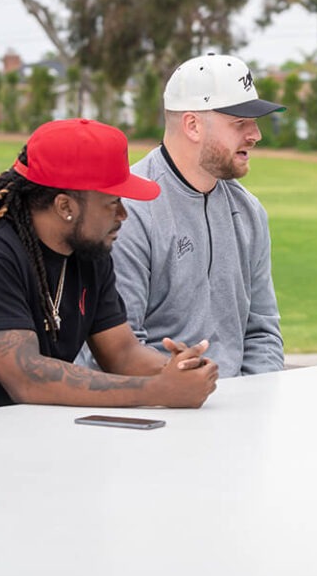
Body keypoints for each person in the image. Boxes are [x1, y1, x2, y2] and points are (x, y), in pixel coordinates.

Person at [0, 119, 218, 421]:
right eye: (112, 202)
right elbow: (26, 379)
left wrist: (178, 370)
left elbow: (122, 352)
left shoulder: (89, 252)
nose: (123, 215)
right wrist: (158, 391)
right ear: (65, 206)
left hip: (21, 436)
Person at [76, 53, 284, 377]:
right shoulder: (125, 212)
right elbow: (115, 349)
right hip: (152, 408)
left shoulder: (249, 212)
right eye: (240, 123)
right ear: (192, 125)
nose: (256, 135)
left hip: (236, 407)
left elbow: (262, 332)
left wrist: (250, 397)